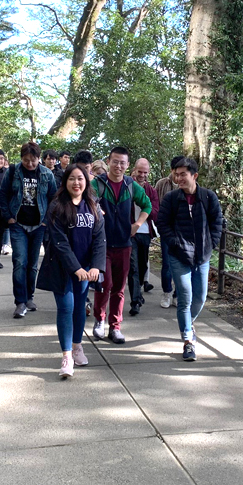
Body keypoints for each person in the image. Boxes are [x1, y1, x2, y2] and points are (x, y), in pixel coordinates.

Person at [36, 165, 106, 379]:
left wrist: (95, 266)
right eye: (72, 179)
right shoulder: (57, 206)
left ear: (86, 182)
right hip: (63, 268)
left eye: (80, 179)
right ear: (65, 182)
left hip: (85, 270)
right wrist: (75, 268)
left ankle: (77, 347)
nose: (76, 183)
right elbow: (59, 242)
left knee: (78, 309)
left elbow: (100, 240)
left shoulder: (93, 206)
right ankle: (66, 356)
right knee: (66, 308)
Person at [156, 157, 223, 361]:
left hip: (202, 255)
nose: (178, 178)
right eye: (176, 174)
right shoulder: (171, 198)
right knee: (184, 298)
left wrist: (211, 243)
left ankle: (187, 322)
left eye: (183, 174)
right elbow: (162, 223)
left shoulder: (208, 197)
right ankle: (188, 340)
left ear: (194, 175)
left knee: (200, 297)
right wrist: (174, 242)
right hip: (178, 255)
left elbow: (217, 222)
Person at [89, 146, 152, 344]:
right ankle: (99, 320)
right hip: (102, 244)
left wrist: (138, 224)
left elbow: (147, 205)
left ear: (127, 165)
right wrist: (97, 212)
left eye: (122, 163)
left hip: (125, 243)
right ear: (108, 161)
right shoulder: (97, 184)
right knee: (104, 284)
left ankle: (115, 327)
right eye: (115, 161)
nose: (118, 166)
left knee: (119, 287)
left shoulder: (131, 185)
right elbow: (86, 203)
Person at [0, 142, 58, 318]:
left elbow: (54, 199)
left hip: (39, 225)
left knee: (32, 265)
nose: (29, 164)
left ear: (39, 159)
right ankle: (20, 301)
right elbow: (3, 195)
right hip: (18, 224)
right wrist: (9, 217)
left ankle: (29, 296)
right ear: (21, 158)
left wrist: (47, 221)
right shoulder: (13, 171)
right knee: (19, 262)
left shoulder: (47, 174)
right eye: (26, 160)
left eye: (33, 160)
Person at [127, 157, 159, 316]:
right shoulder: (126, 186)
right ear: (134, 170)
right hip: (130, 233)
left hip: (145, 233)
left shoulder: (151, 191)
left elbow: (155, 213)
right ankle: (135, 302)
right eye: (140, 172)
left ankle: (138, 293)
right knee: (132, 267)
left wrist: (143, 202)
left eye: (145, 172)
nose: (142, 175)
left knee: (142, 266)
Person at [153, 156, 182, 308]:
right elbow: (155, 205)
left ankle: (178, 294)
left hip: (183, 232)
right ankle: (167, 292)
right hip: (166, 230)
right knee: (167, 263)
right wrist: (160, 224)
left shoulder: (189, 185)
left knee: (182, 263)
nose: (179, 176)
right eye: (176, 172)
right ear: (171, 170)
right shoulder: (162, 184)